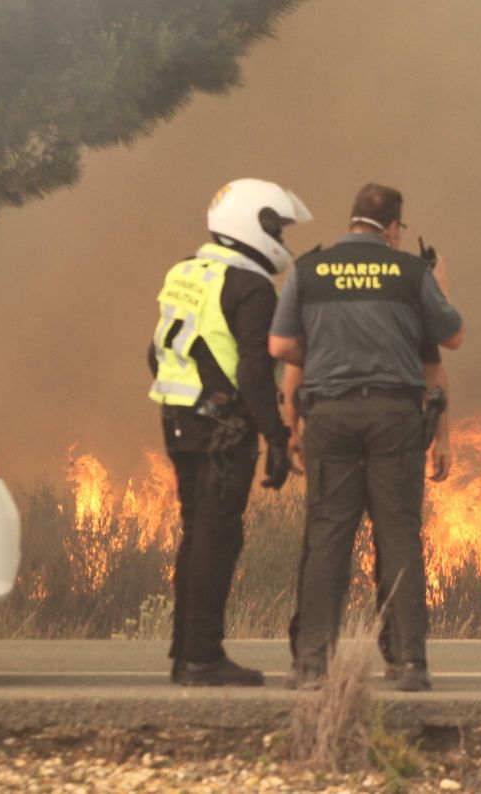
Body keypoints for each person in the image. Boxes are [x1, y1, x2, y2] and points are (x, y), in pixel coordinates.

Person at [270, 183, 463, 691]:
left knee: (327, 537)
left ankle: (312, 665)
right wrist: (439, 285)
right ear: (393, 228)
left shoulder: (309, 270)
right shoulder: (411, 273)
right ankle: (409, 664)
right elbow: (452, 338)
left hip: (330, 417)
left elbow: (280, 346)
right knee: (398, 537)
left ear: (353, 219)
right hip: (393, 417)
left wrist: (319, 373)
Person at [147, 178, 310, 687]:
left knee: (197, 533)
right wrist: (276, 438)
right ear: (254, 224)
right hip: (222, 430)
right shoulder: (251, 287)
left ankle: (186, 652)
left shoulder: (186, 271)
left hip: (179, 419)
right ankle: (201, 657)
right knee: (217, 538)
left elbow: (155, 352)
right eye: (276, 228)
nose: (281, 238)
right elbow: (254, 371)